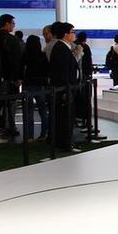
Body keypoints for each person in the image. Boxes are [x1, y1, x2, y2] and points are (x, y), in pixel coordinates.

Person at [49, 22, 79, 151]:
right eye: (72, 32)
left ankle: (67, 142)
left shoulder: (64, 47)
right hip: (64, 89)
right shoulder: (61, 48)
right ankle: (65, 143)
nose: (74, 34)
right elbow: (62, 72)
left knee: (67, 117)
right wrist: (66, 90)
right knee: (64, 118)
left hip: (67, 87)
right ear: (66, 34)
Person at [0, 14, 22, 138]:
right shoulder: (12, 40)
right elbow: (16, 61)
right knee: (10, 104)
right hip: (9, 79)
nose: (14, 26)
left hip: (0, 78)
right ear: (7, 24)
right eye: (13, 23)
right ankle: (9, 127)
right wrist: (18, 77)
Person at [22, 35, 49, 141]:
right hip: (40, 84)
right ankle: (43, 134)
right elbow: (47, 70)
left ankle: (29, 136)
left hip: (28, 84)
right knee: (43, 111)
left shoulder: (25, 56)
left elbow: (21, 69)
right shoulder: (42, 55)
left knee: (28, 112)